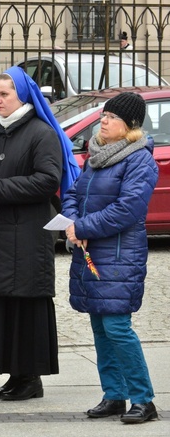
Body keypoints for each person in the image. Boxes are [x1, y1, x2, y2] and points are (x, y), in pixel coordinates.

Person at [0, 66, 80, 401]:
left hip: (26, 236)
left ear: (22, 96)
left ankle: (30, 377)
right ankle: (14, 374)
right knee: (3, 306)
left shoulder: (41, 133)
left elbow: (47, 181)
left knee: (25, 308)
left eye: (3, 94)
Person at [62, 92, 159, 424]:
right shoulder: (96, 156)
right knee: (100, 327)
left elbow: (128, 209)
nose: (103, 120)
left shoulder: (139, 160)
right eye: (104, 115)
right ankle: (114, 395)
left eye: (112, 117)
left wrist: (84, 225)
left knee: (117, 327)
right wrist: (74, 222)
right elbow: (73, 193)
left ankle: (143, 399)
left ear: (129, 126)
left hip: (120, 255)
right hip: (92, 251)